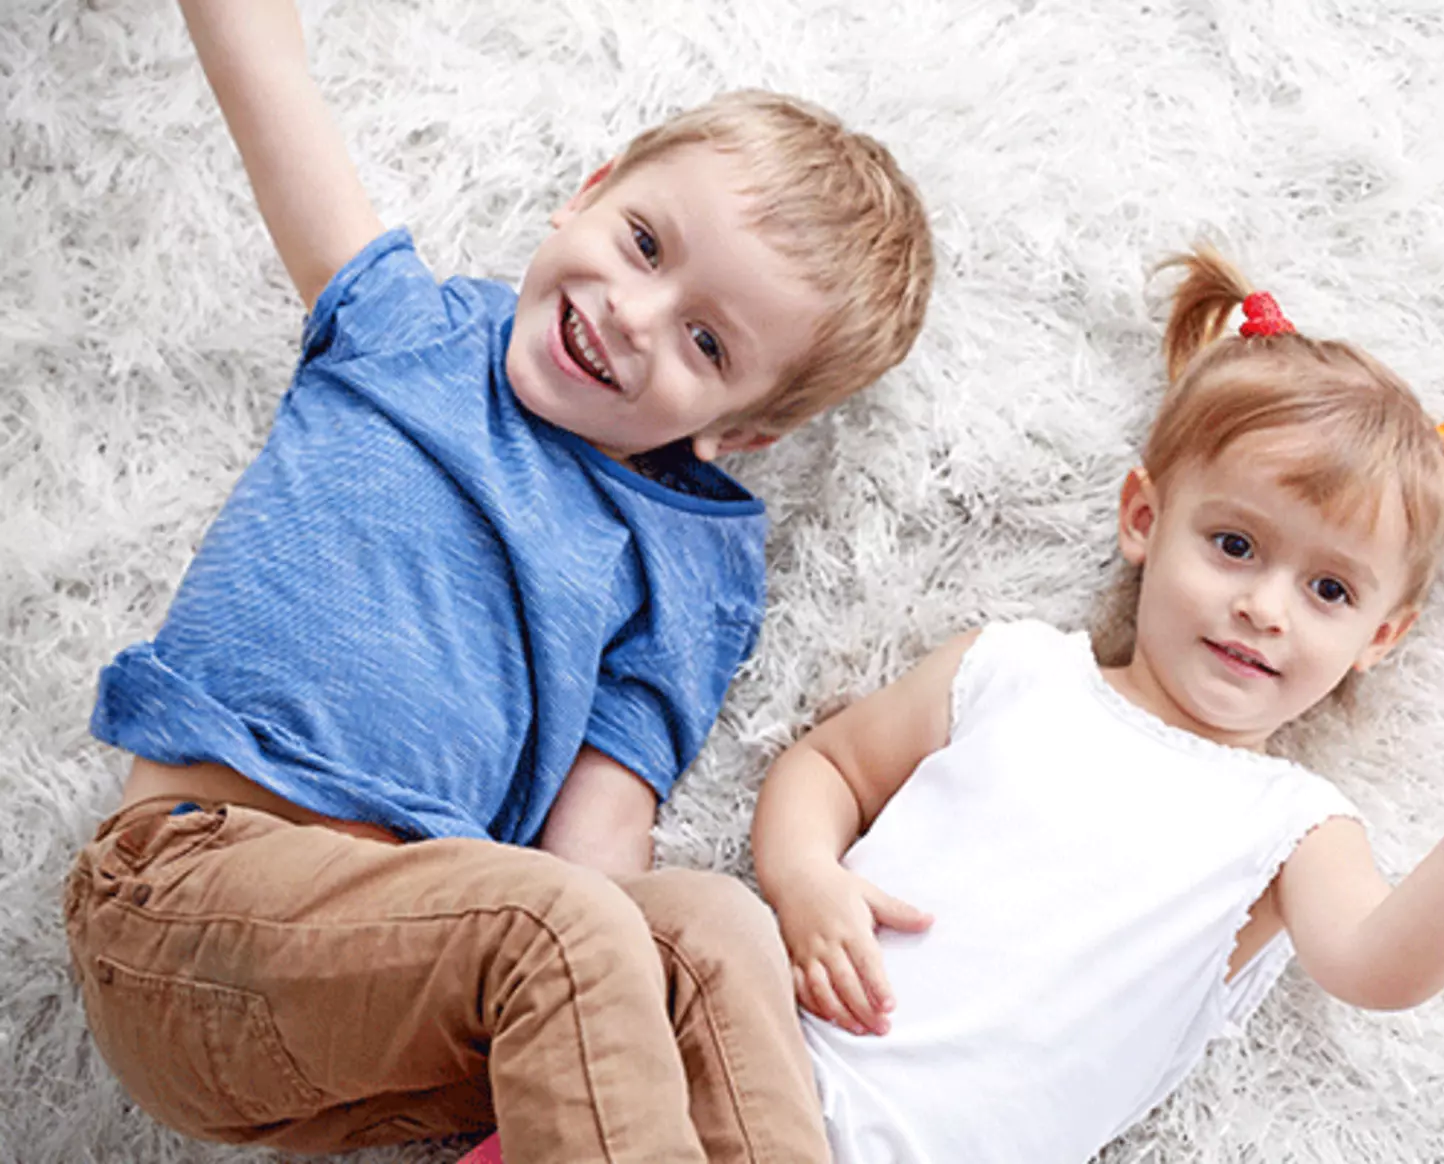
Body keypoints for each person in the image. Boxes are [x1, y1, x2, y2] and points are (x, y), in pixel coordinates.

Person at [61, 0, 932, 1160]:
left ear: (749, 431)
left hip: (424, 996)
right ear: (591, 187)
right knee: (559, 929)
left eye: (707, 345)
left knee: (710, 927)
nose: (632, 315)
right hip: (192, 908)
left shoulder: (689, 563)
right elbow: (264, 70)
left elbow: (599, 847)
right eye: (644, 243)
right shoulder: (403, 325)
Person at [748, 247, 1444, 1162]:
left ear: (1381, 638)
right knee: (685, 920)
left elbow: (1380, 966)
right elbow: (826, 766)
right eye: (1233, 544)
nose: (1264, 608)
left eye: (1330, 593)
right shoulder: (1013, 670)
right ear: (1143, 518)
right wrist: (804, 878)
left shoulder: (1291, 826)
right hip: (756, 1058)